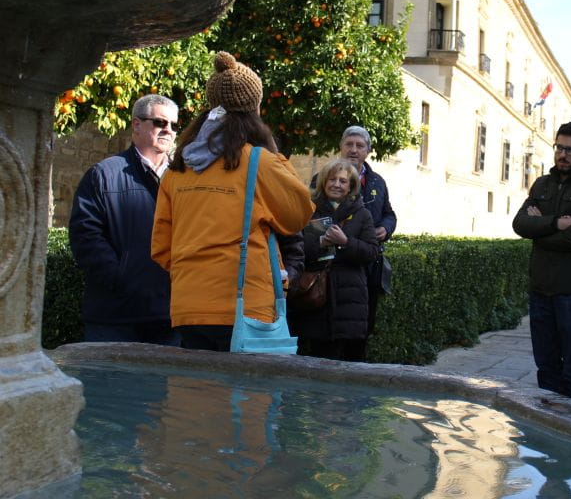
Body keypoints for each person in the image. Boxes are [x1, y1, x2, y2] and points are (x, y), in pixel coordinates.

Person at [151, 52, 314, 351]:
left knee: (194, 394)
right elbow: (299, 214)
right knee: (246, 395)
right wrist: (275, 155)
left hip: (188, 307)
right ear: (255, 109)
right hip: (246, 308)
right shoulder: (259, 162)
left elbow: (161, 248)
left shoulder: (177, 169)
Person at [69, 93, 182, 345]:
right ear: (136, 125)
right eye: (160, 123)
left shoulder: (184, 179)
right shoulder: (103, 174)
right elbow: (85, 236)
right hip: (115, 318)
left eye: (174, 125)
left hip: (170, 318)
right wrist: (122, 279)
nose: (169, 131)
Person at [512, 122, 571, 402]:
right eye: (559, 147)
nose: (562, 154)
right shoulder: (542, 184)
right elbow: (519, 223)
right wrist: (556, 223)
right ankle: (548, 429)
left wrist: (540, 231)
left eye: (570, 149)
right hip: (541, 291)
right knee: (546, 367)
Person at [289, 159, 380, 360]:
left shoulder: (362, 214)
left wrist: (345, 242)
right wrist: (320, 241)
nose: (337, 184)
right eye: (332, 179)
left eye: (342, 181)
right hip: (315, 298)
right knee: (318, 359)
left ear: (351, 187)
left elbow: (372, 252)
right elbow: (295, 248)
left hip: (350, 299)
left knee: (350, 363)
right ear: (323, 182)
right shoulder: (309, 210)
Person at [320, 125, 397, 342]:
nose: (354, 150)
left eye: (359, 146)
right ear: (341, 147)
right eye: (349, 144)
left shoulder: (377, 182)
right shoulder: (323, 178)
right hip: (332, 269)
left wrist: (386, 227)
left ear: (367, 151)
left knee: (361, 328)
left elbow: (389, 213)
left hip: (368, 266)